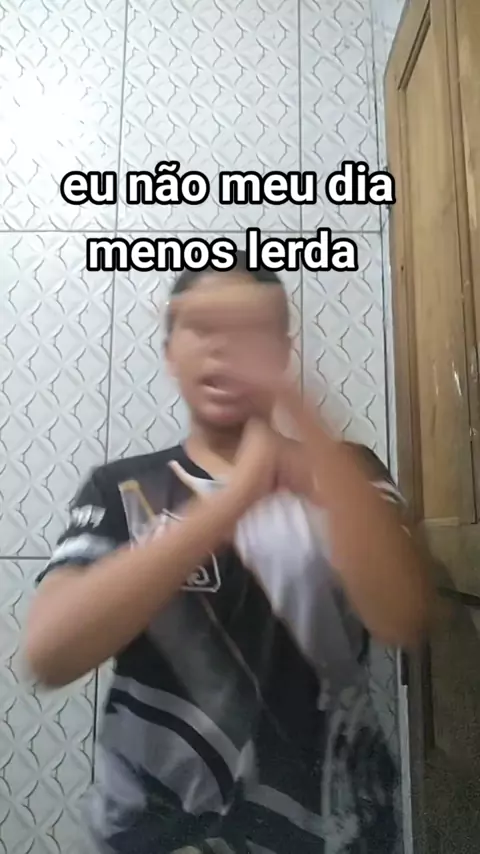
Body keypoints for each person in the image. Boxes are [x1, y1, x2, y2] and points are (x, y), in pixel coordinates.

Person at [25, 253, 431, 854]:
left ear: (282, 353)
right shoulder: (121, 488)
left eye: (248, 330)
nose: (224, 347)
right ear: (170, 351)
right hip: (154, 837)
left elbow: (403, 616)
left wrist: (298, 418)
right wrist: (237, 497)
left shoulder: (349, 472)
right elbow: (50, 654)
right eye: (203, 327)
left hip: (329, 836)